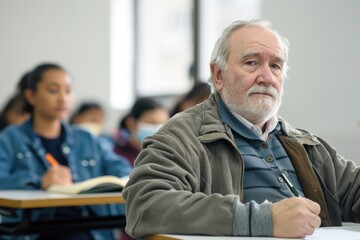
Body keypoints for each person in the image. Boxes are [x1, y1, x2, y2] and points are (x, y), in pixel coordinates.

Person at [123, 19, 360, 239]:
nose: (267, 77)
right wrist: (264, 220)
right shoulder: (182, 136)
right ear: (218, 75)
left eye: (276, 66)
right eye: (251, 63)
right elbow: (145, 205)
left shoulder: (307, 145)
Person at [0, 63, 132, 240]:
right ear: (31, 96)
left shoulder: (86, 138)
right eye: (53, 90)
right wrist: (39, 181)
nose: (63, 98)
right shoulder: (10, 138)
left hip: (90, 229)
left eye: (68, 91)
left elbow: (122, 170)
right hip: (35, 232)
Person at [114, 97, 170, 167]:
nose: (158, 129)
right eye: (152, 123)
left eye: (163, 124)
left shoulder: (167, 155)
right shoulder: (116, 156)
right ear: (131, 123)